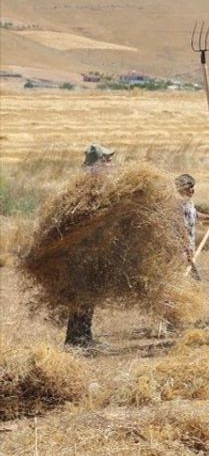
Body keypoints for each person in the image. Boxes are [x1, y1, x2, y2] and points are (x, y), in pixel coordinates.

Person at [65, 144, 116, 348]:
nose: (111, 162)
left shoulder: (93, 179)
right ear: (99, 161)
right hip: (86, 246)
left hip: (90, 244)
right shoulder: (91, 180)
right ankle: (78, 339)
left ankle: (82, 336)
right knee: (84, 291)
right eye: (107, 159)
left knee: (88, 292)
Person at [174, 173, 209, 278]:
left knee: (191, 275)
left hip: (188, 245)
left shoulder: (188, 202)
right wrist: (186, 247)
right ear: (182, 188)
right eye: (190, 188)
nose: (193, 191)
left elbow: (194, 214)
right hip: (180, 248)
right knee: (187, 275)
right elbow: (180, 226)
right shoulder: (178, 205)